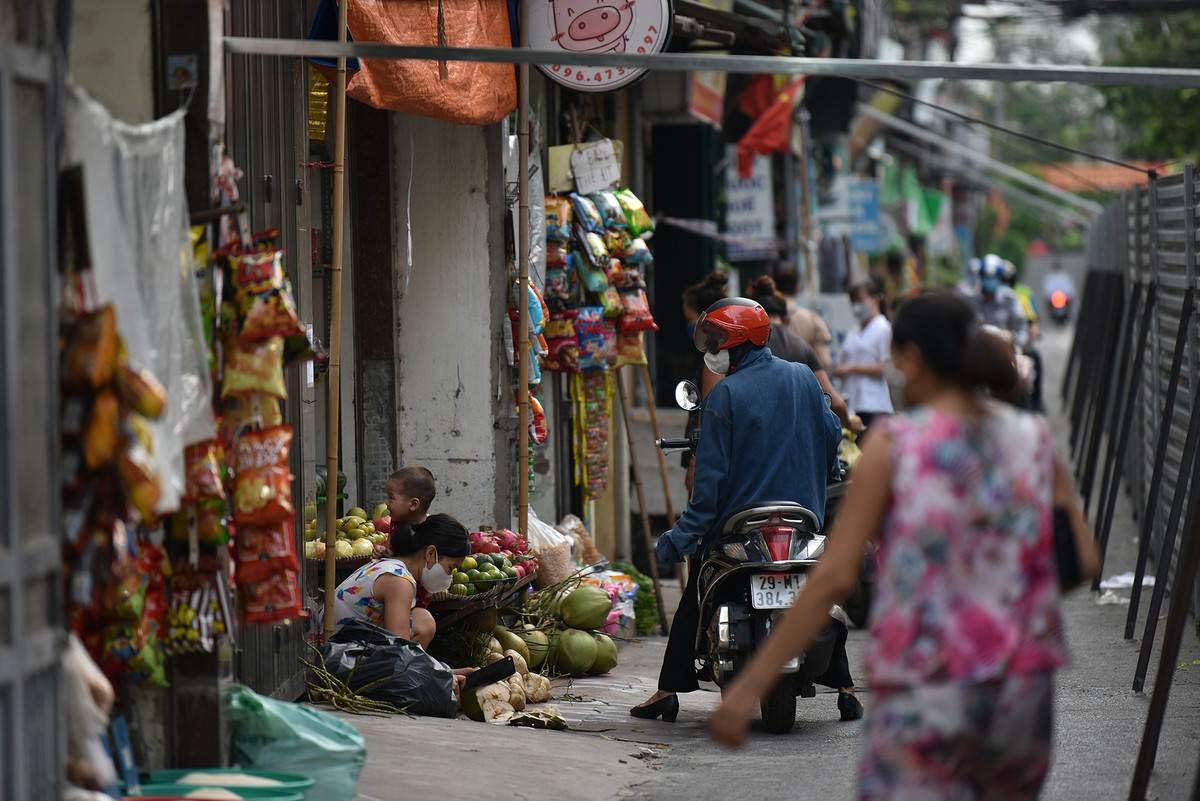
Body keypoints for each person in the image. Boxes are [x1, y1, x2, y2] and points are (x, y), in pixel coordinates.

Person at [710, 292, 1100, 801]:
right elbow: (1086, 560)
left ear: (913, 356)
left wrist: (750, 685)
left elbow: (833, 576)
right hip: (1022, 688)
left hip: (925, 684)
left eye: (896, 355)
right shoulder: (1033, 438)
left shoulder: (895, 446)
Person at [631, 297, 846, 723]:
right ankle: (847, 687)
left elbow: (707, 492)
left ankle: (667, 692)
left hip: (738, 531)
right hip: (802, 521)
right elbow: (831, 435)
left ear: (741, 341)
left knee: (696, 590)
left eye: (718, 340)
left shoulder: (723, 395)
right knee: (819, 592)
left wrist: (678, 538)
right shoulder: (804, 377)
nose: (712, 350)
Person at [332, 513, 469, 648]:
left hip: (341, 646)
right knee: (424, 622)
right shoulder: (399, 581)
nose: (449, 576)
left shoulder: (391, 565)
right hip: (337, 657)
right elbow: (399, 652)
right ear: (430, 553)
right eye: (451, 568)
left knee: (421, 619)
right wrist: (444, 671)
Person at [747, 275, 862, 434]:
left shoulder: (747, 346)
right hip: (796, 433)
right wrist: (849, 421)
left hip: (755, 431)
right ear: (785, 318)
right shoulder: (801, 346)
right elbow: (834, 401)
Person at [680, 271, 730, 496]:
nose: (689, 327)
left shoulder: (715, 358)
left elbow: (708, 411)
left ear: (704, 319)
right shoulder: (726, 354)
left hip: (713, 460)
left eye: (691, 321)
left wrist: (694, 463)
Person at [833, 281, 894, 428]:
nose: (856, 306)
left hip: (873, 403)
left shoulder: (884, 329)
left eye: (860, 301)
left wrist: (853, 368)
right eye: (853, 302)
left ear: (875, 300)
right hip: (852, 402)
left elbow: (888, 366)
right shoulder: (853, 332)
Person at [773, 265, 834, 369]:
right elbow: (825, 362)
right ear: (797, 286)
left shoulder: (763, 318)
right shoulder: (812, 319)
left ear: (774, 286)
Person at [372, 465, 437, 559]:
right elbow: (390, 549)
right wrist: (382, 551)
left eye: (391, 497)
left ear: (413, 504)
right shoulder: (395, 524)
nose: (386, 503)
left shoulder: (429, 532)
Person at [971, 254, 1030, 350]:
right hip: (979, 353)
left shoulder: (1009, 298)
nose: (990, 281)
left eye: (993, 277)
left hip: (1006, 351)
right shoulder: (972, 301)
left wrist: (1017, 345)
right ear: (981, 277)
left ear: (1000, 278)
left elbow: (1022, 325)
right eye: (987, 277)